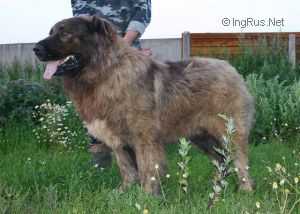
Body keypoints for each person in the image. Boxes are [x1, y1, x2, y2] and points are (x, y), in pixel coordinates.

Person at [69, 0, 152, 168]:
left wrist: (120, 45)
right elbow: (80, 20)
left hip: (125, 55)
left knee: (130, 114)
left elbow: (142, 13)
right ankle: (100, 165)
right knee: (95, 110)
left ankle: (139, 168)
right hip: (92, 58)